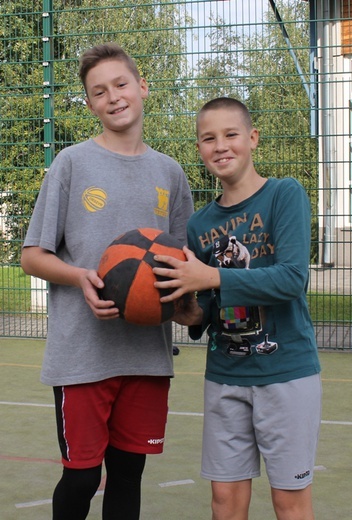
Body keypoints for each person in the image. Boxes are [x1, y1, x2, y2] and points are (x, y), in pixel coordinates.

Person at [21, 42, 193, 520]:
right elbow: (32, 255)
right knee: (80, 476)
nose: (113, 97)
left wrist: (187, 302)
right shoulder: (71, 164)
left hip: (146, 354)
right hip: (82, 354)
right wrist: (80, 277)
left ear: (141, 86)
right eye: (99, 91)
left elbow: (179, 265)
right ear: (91, 103)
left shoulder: (170, 173)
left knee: (127, 473)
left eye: (121, 84)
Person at [153, 97, 322, 520]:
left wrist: (211, 277)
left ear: (253, 138)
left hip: (287, 372)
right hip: (226, 375)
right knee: (225, 502)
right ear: (199, 149)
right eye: (209, 138)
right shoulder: (199, 225)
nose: (221, 146)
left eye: (231, 134)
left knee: (289, 502)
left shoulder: (285, 194)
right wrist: (180, 308)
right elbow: (206, 310)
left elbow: (290, 279)